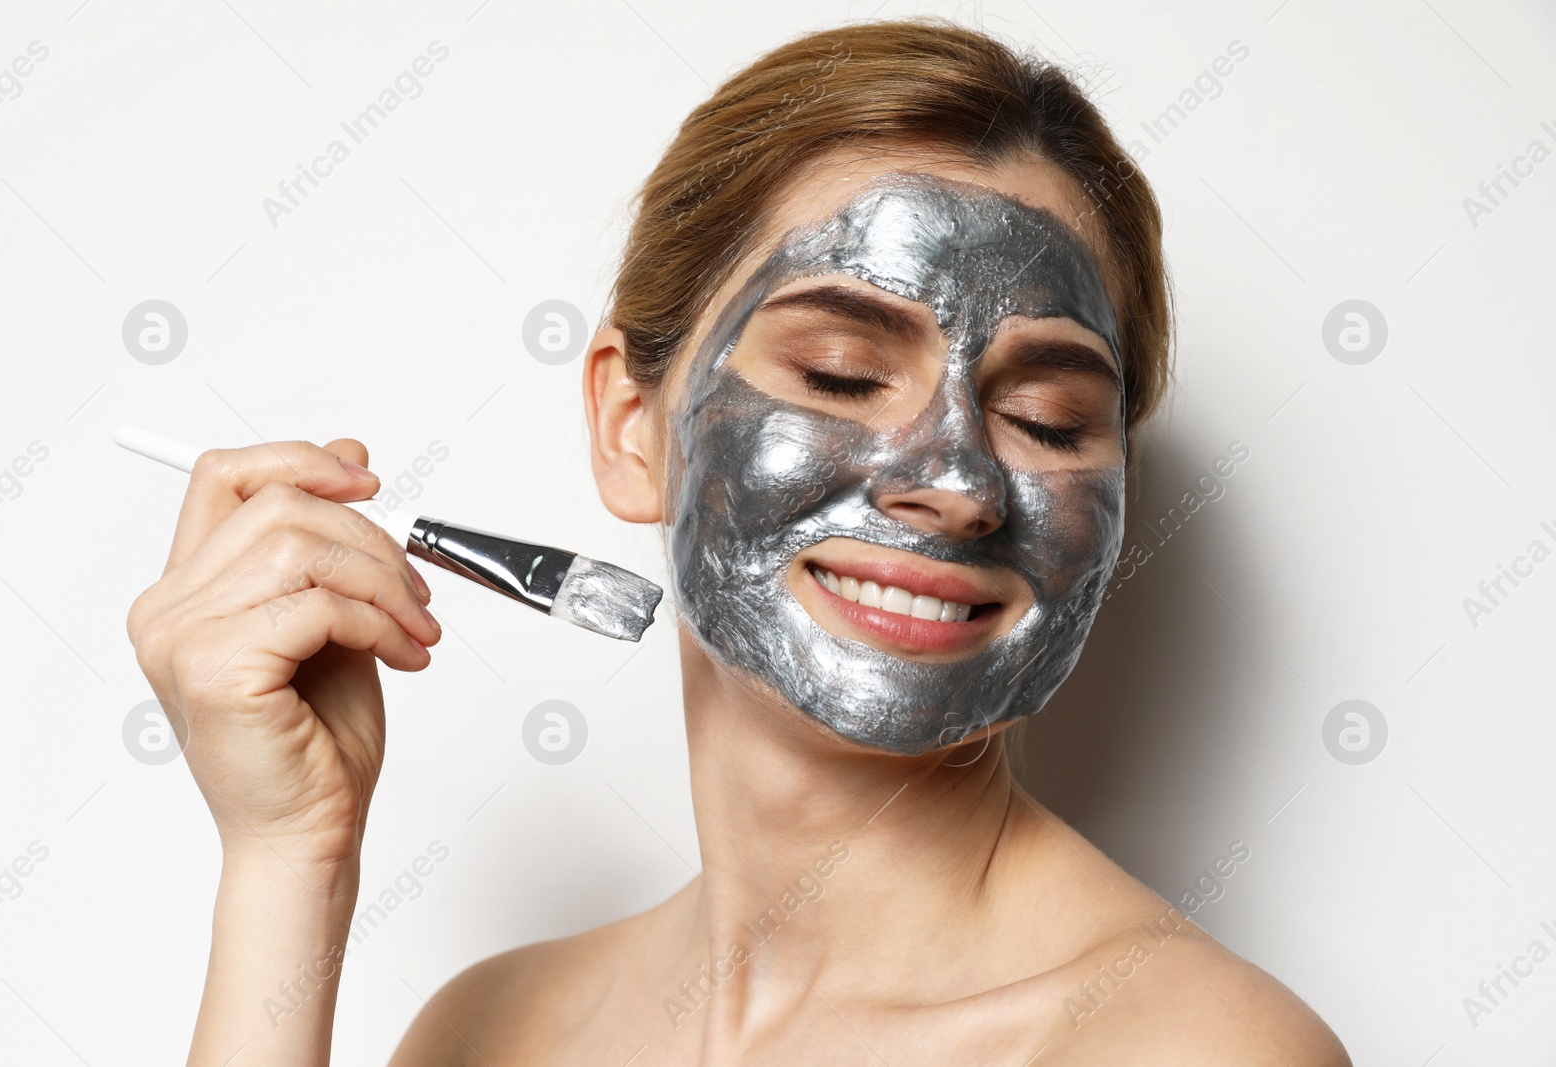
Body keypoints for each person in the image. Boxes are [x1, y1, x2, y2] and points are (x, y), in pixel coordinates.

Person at [128, 18, 1350, 1066]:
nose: (956, 481)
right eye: (840, 372)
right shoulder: (493, 1027)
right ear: (630, 424)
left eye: (1048, 417)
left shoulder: (1187, 1046)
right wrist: (290, 861)